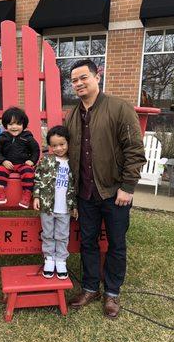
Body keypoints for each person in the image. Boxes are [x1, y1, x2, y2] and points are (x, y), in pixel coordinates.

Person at [66, 59, 146, 319]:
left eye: (83, 78)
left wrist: (128, 186)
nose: (78, 84)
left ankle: (112, 292)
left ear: (97, 76)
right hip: (85, 194)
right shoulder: (72, 115)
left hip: (114, 193)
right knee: (88, 242)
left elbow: (134, 150)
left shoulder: (119, 108)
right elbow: (67, 154)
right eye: (74, 80)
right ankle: (90, 288)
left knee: (116, 243)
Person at [33, 125, 78, 279]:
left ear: (68, 143)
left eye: (62, 144)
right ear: (50, 146)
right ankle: (49, 259)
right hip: (47, 206)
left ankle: (61, 260)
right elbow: (37, 179)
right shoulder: (46, 161)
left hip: (64, 208)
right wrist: (37, 197)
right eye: (54, 146)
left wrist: (74, 206)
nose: (58, 148)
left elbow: (75, 187)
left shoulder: (73, 163)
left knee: (62, 235)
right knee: (47, 234)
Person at [0, 106, 40, 208]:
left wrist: (32, 161)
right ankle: (1, 193)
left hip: (23, 164)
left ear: (24, 125)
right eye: (11, 124)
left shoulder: (28, 138)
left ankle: (27, 195)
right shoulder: (3, 138)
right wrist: (3, 161)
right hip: (7, 165)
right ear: (6, 125)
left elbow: (36, 150)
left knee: (28, 172)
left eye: (18, 124)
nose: (14, 127)